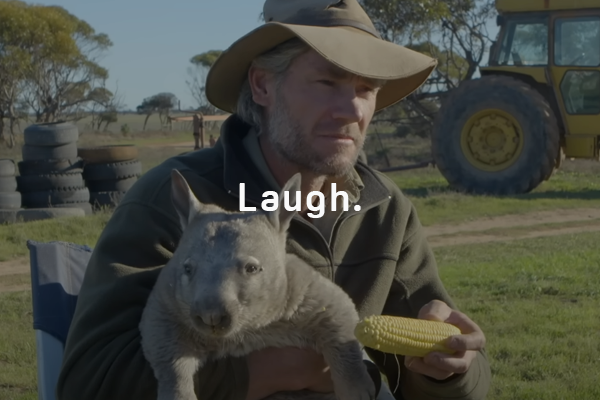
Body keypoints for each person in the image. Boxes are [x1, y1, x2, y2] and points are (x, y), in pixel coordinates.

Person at [57, 0, 492, 399]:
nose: (352, 110)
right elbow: (87, 382)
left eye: (366, 89)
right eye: (327, 81)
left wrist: (448, 370)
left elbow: (452, 382)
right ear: (263, 86)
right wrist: (266, 372)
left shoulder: (383, 210)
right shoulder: (174, 207)